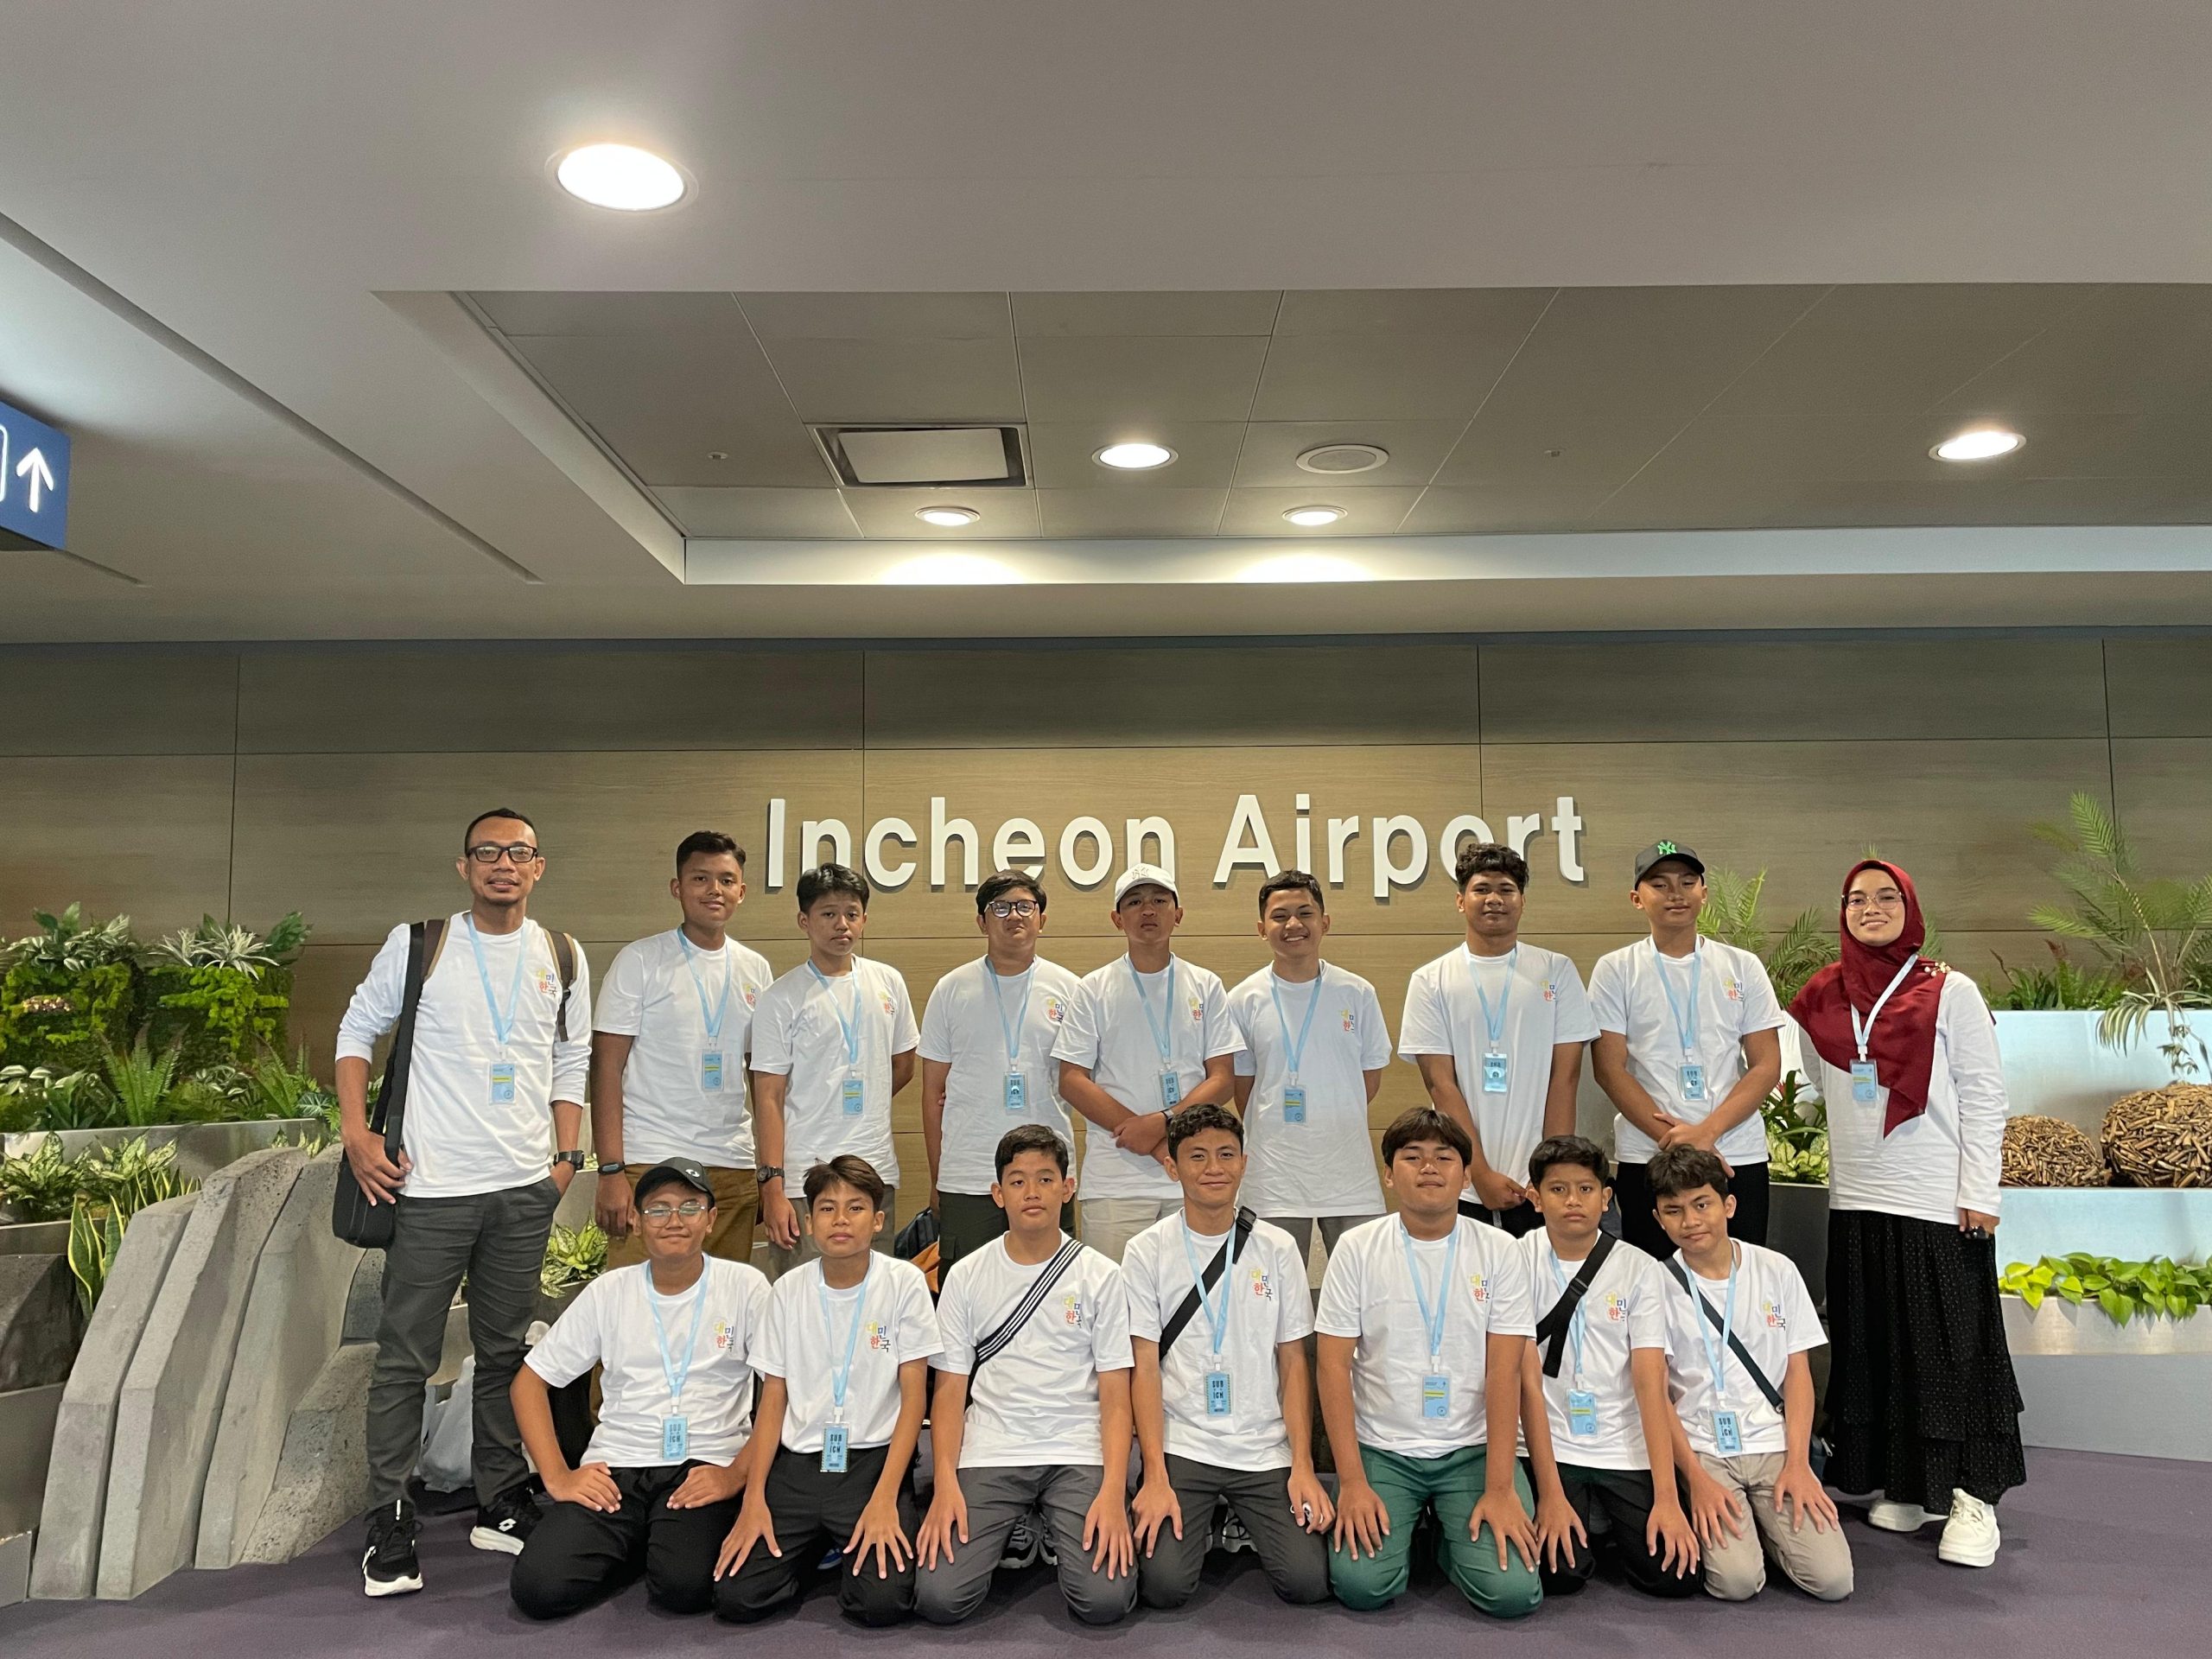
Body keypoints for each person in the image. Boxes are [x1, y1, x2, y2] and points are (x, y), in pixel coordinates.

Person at [339, 807, 591, 1597]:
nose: (503, 864)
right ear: (465, 866)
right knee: (404, 1359)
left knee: (505, 1353)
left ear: (538, 866)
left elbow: (572, 1058)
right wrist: (356, 1133)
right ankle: (390, 1515)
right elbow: (355, 1031)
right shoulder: (423, 943)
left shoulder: (562, 954)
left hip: (522, 1191)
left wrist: (565, 1160)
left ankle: (500, 1499)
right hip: (430, 1189)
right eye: (488, 852)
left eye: (519, 853)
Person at [1789, 859, 2023, 1567]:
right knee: (1880, 1346)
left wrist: (1981, 1191)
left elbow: (1985, 1095)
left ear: (1910, 907)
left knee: (1952, 1351)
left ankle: (1974, 1498)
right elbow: (1810, 1087)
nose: (1872, 908)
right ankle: (1911, 1485)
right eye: (1857, 898)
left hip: (1937, 1202)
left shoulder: (1950, 991)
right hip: (1858, 1199)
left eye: (1887, 896)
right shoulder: (1820, 997)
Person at [508, 1159, 769, 1618]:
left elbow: (781, 1390)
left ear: (711, 1219)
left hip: (703, 1464)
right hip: (618, 1466)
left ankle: (650, 1542)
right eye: (658, 1209)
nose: (674, 1220)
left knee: (684, 1588)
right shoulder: (609, 1291)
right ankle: (642, 1538)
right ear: (637, 1220)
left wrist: (736, 1475)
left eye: (690, 1207)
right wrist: (558, 1477)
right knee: (539, 1589)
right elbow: (529, 1383)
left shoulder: (745, 1287)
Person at [1315, 1107, 1542, 1620]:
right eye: (1412, 1157)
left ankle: (1445, 1538)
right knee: (1361, 1587)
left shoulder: (1501, 1251)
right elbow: (1331, 1368)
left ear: (1466, 1175)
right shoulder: (1356, 1249)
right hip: (1383, 1449)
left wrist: (1500, 1488)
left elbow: (1504, 1372)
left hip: (1471, 1448)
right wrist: (1352, 1482)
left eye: (1444, 1157)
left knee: (1512, 1595)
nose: (1429, 1168)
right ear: (1388, 1175)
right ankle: (1423, 1526)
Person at [915, 1125, 1139, 1627]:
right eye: (1017, 1181)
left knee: (1104, 1601)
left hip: (1077, 1449)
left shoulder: (1101, 1275)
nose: (1031, 1192)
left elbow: (1116, 1395)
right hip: (994, 1447)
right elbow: (949, 1391)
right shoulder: (966, 1275)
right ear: (998, 1194)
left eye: (1045, 1179)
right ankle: (1021, 1520)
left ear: (1068, 1188)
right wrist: (946, 1485)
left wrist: (1113, 1491)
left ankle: (1050, 1520)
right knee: (939, 1599)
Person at [715, 1156, 941, 1625]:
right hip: (799, 1463)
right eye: (827, 1208)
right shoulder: (787, 1290)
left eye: (855, 1208)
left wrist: (885, 1497)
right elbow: (772, 1401)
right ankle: (819, 1543)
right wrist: (753, 1499)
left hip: (871, 1462)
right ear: (809, 1221)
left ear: (877, 1221)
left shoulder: (903, 1283)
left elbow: (914, 1400)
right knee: (738, 1596)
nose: (841, 1219)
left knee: (881, 1603)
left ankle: (845, 1535)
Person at [1123, 1103, 1332, 1609]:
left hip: (1263, 1446)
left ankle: (1241, 1513)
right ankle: (1212, 1514)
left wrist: (1303, 1466)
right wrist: (1154, 1474)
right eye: (1196, 1156)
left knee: (1307, 1583)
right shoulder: (1146, 1251)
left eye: (1225, 1155)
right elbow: (1143, 1368)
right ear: (1172, 1167)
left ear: (1244, 1163)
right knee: (1164, 1587)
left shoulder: (1278, 1248)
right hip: (1183, 1443)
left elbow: (1293, 1362)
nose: (1213, 1168)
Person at [1648, 1145, 1853, 1603]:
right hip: (1704, 1451)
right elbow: (1657, 1394)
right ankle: (1751, 1537)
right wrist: (1695, 1480)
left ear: (1729, 1205)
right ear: (1659, 1219)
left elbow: (1797, 1374)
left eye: (1702, 1204)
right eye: (1674, 1211)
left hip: (1775, 1446)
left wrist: (1798, 1463)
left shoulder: (1776, 1270)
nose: (1691, 1221)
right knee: (1736, 1582)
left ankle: (1770, 1532)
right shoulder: (1654, 1284)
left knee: (1833, 1581)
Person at [1514, 1135, 1699, 1600]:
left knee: (1674, 1576)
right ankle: (1588, 1517)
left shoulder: (1640, 1269)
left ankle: (1600, 1519)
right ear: (1536, 1198)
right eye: (1558, 1190)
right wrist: (1550, 1495)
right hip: (1549, 1440)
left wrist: (1668, 1498)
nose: (1573, 1201)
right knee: (1559, 1574)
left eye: (1585, 1189)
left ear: (1606, 1197)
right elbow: (1523, 1381)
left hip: (1621, 1444)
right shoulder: (1513, 1260)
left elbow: (1650, 1383)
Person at [1589, 841, 1784, 1257]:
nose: (1675, 893)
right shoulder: (1616, 969)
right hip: (1650, 1153)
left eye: (1687, 882)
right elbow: (1608, 1069)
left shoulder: (1742, 966)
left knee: (1740, 1274)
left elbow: (1766, 1065)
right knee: (1655, 1279)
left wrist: (1706, 1133)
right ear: (1636, 898)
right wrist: (1678, 1141)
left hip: (1735, 1152)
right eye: (1659, 884)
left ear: (1704, 893)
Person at [592, 831, 774, 1270]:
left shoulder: (756, 969)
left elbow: (763, 1079)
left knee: (723, 1302)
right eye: (700, 878)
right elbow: (605, 1068)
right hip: (650, 1160)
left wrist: (767, 1172)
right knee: (639, 1297)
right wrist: (611, 1170)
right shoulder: (640, 960)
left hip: (732, 1164)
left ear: (741, 891)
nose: (715, 890)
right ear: (677, 888)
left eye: (726, 880)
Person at [1400, 842, 1599, 1238]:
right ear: (1460, 901)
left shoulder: (1556, 970)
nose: (1494, 899)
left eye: (1506, 889)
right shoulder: (1431, 980)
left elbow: (1566, 1078)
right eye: (1482, 889)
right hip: (1464, 1180)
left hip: (1538, 1183)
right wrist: (1478, 1171)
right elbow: (1440, 1084)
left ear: (1522, 901)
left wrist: (1550, 1171)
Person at [1054, 864, 1239, 1262]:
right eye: (1135, 902)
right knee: (1115, 1295)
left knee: (1194, 1292)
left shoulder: (1206, 985)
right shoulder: (1093, 988)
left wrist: (1164, 1124)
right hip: (1115, 1181)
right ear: (1117, 919)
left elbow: (1223, 1078)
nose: (1148, 910)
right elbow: (1071, 1080)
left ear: (1179, 913)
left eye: (1159, 900)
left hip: (1192, 1175)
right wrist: (1149, 1139)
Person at [750, 863, 918, 1276]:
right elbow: (768, 1097)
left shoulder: (888, 982)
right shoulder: (781, 997)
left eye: (851, 913)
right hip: (803, 1179)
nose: (842, 924)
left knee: (874, 1292)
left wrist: (866, 1099)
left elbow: (903, 1065)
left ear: (864, 919)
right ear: (804, 921)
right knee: (802, 1295)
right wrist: (772, 1186)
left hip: (874, 1171)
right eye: (828, 914)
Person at [919, 869, 1083, 1272]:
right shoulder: (951, 989)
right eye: (1001, 907)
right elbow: (933, 1093)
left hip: (1047, 1174)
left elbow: (1083, 1082)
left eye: (1025, 907)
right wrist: (938, 1176)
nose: (1014, 916)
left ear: (1042, 919)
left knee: (1051, 1289)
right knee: (968, 1289)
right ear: (982, 921)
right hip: (968, 1174)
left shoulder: (1070, 989)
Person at [1225, 871, 1392, 1264]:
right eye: (1280, 916)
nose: (1293, 924)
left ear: (1325, 922)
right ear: (1261, 929)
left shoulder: (1357, 993)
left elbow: (1368, 1080)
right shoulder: (1243, 999)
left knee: (1364, 1283)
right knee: (1272, 1288)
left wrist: (1333, 1109)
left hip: (1348, 1171)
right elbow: (1243, 1089)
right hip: (1273, 1175)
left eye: (1305, 913)